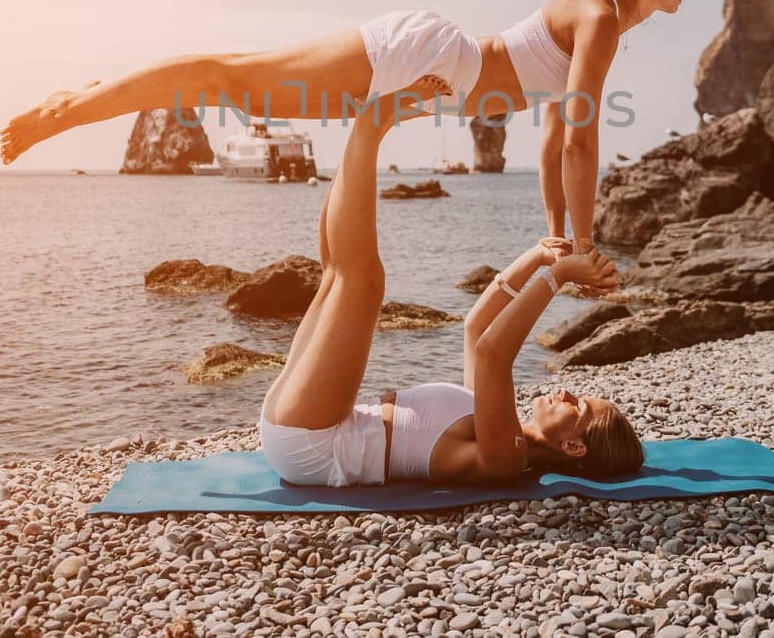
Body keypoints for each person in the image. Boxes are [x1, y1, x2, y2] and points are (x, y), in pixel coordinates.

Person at [0, 0, 689, 256]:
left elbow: (549, 139)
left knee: (232, 83)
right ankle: (71, 107)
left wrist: (557, 236)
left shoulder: (600, 25)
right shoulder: (598, 17)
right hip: (432, 62)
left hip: (432, 79)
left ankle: (79, 102)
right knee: (231, 79)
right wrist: (585, 246)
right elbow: (576, 142)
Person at [256, 95, 644, 486]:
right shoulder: (499, 420)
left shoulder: (508, 455)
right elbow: (476, 329)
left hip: (315, 444)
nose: (566, 393)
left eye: (577, 407)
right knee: (335, 275)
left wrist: (557, 278)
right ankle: (365, 127)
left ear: (574, 447)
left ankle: (371, 124)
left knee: (362, 282)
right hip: (309, 426)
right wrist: (536, 257)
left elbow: (493, 354)